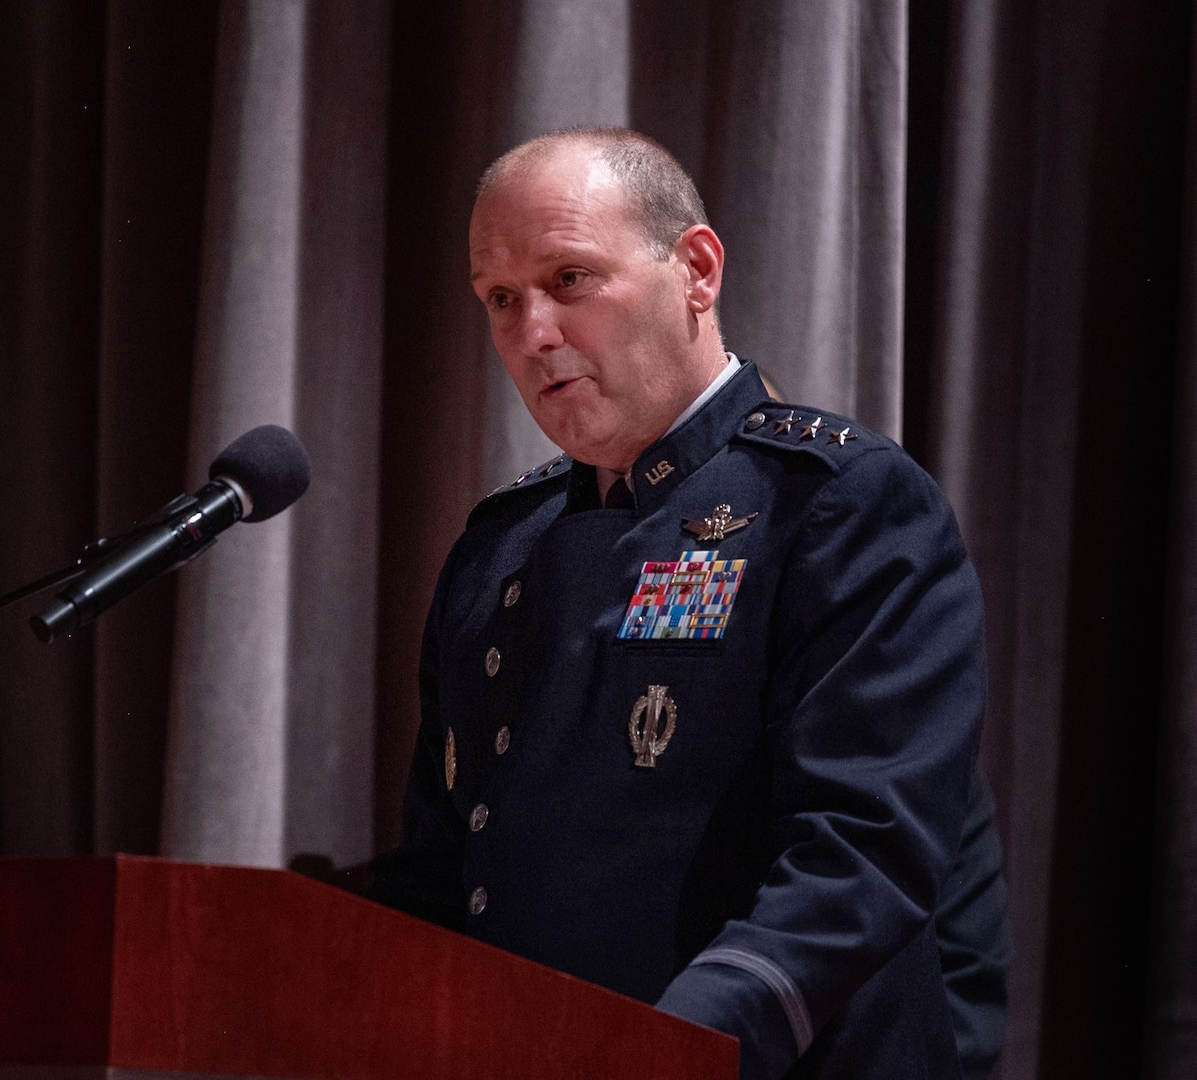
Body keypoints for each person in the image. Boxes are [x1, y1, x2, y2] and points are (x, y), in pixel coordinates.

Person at [370, 128, 1006, 1079]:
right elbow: (448, 874)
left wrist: (663, 1055)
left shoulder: (839, 502)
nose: (532, 332)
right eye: (500, 300)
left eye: (570, 280)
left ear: (697, 271)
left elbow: (857, 858)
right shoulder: (499, 546)